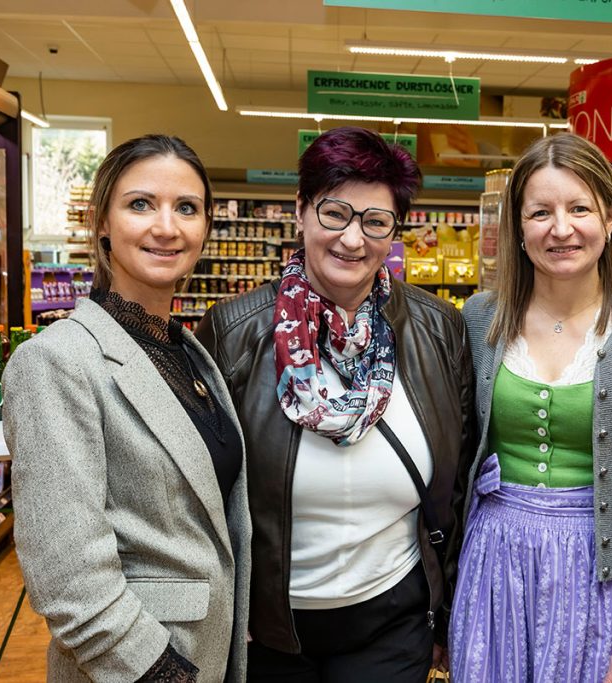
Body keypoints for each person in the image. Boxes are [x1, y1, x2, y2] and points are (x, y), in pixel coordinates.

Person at [195, 126, 474, 682]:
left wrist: (443, 611)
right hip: (270, 630)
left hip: (393, 622)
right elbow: (200, 484)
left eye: (375, 222)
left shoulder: (438, 329)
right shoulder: (233, 333)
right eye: (335, 214)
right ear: (301, 210)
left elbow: (460, 474)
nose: (353, 239)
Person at [3, 135, 251, 682]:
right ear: (102, 224)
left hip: (207, 653)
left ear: (206, 227)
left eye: (187, 208)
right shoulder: (57, 361)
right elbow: (68, 578)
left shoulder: (188, 354)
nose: (167, 226)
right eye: (140, 204)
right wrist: (164, 673)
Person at [451, 133, 612, 683]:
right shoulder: (478, 319)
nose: (560, 229)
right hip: (494, 564)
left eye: (579, 208)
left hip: (604, 576)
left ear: (609, 217)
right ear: (518, 226)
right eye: (540, 212)